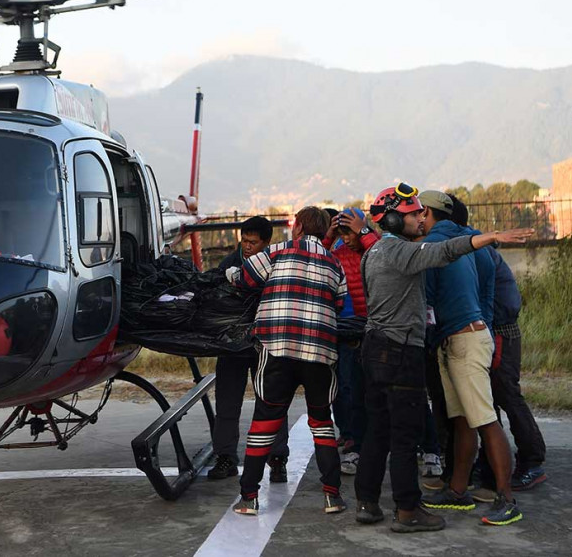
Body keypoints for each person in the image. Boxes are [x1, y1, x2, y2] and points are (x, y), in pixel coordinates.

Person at [353, 183, 532, 533]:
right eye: (411, 214)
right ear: (390, 220)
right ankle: (407, 511)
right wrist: (490, 236)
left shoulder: (371, 253)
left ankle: (367, 502)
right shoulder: (400, 252)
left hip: (374, 348)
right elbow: (444, 252)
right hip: (400, 350)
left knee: (377, 431)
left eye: (422, 212)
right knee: (405, 435)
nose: (419, 218)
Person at [225, 207, 347, 516]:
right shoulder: (335, 263)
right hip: (320, 352)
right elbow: (340, 301)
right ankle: (332, 495)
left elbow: (244, 279)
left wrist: (231, 275)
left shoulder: (277, 252)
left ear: (299, 227)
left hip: (277, 347)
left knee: (265, 421)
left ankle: (249, 497)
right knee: (321, 422)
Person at [418, 191, 522, 526]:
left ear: (429, 214)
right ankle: (458, 490)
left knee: (485, 420)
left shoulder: (434, 245)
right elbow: (487, 289)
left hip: (461, 340)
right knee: (463, 418)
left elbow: (429, 298)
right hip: (470, 335)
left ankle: (507, 499)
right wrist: (486, 330)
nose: (415, 218)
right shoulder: (472, 240)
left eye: (419, 212)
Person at [449, 195, 548, 492]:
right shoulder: (470, 244)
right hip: (493, 328)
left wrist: (487, 333)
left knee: (505, 396)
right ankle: (490, 463)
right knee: (489, 400)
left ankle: (532, 462)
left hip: (499, 329)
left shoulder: (475, 247)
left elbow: (486, 298)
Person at [208, 216, 291, 483]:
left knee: (271, 402)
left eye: (253, 242)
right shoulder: (228, 265)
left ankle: (277, 459)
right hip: (232, 346)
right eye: (244, 241)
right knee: (227, 404)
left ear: (267, 243)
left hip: (264, 344)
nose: (247, 247)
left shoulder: (277, 265)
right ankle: (225, 458)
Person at [328, 207, 379, 475]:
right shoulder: (338, 255)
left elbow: (381, 252)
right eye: (342, 234)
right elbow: (320, 257)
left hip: (378, 330)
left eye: (350, 233)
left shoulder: (376, 248)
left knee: (378, 392)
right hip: (351, 333)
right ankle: (355, 443)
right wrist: (328, 235)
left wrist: (364, 231)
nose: (346, 239)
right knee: (351, 390)